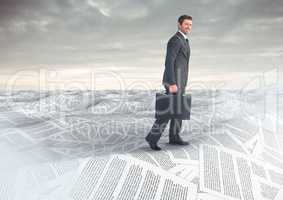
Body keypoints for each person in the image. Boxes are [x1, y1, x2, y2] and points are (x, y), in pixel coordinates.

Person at [145, 15, 192, 150]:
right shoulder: (175, 40)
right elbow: (169, 62)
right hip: (173, 81)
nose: (188, 27)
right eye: (186, 24)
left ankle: (174, 137)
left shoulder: (185, 40)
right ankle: (152, 139)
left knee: (178, 110)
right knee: (168, 111)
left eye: (190, 25)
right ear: (179, 24)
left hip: (180, 81)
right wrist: (171, 82)